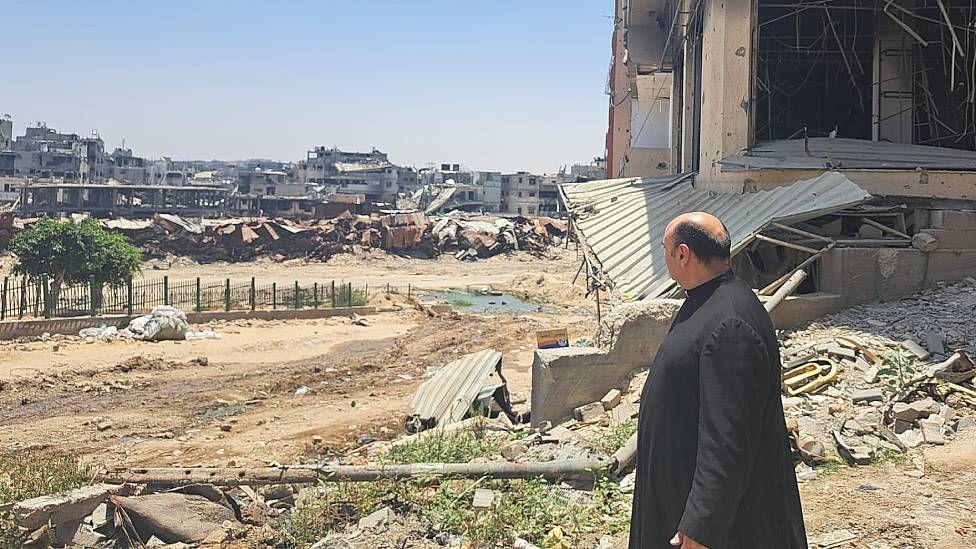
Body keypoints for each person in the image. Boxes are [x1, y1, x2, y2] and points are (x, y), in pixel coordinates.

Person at [628, 212, 807, 549]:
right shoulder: (710, 300)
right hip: (678, 492)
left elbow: (728, 435)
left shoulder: (730, 323)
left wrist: (702, 522)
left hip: (715, 526)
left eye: (664, 249)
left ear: (683, 254)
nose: (663, 257)